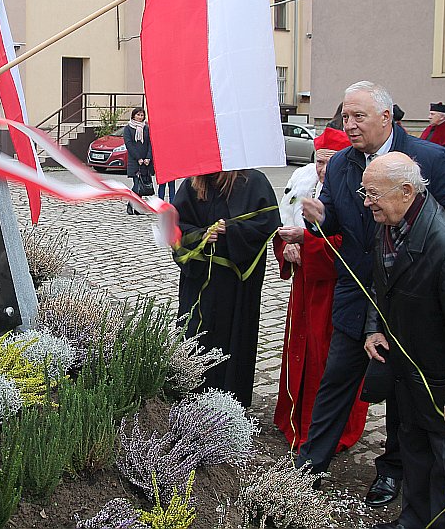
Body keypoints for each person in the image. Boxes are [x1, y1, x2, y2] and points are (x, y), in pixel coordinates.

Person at [280, 80, 445, 509]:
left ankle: (392, 473)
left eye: (358, 117)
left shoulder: (427, 158)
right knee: (336, 380)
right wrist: (321, 217)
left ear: (386, 118)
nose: (349, 125)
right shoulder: (340, 164)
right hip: (357, 296)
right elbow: (342, 220)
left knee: (402, 395)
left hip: (408, 302)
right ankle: (308, 468)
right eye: (345, 117)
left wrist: (423, 250)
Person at [362, 153, 445, 529]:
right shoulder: (390, 223)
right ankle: (413, 522)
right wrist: (374, 326)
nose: (366, 201)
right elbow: (380, 285)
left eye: (373, 193)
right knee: (416, 461)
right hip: (410, 376)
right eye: (364, 191)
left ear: (406, 191)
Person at [273, 127, 368, 452]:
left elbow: (353, 244)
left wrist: (308, 245)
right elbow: (286, 228)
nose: (323, 169)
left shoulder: (355, 191)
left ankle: (325, 427)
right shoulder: (305, 184)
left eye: (330, 162)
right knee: (299, 347)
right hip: (304, 284)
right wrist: (286, 248)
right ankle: (293, 415)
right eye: (319, 161)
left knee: (326, 357)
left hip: (336, 289)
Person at [172, 170, 281, 407]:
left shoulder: (254, 182)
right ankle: (189, 391)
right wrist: (202, 235)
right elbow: (175, 226)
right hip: (199, 283)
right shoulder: (192, 184)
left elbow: (266, 225)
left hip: (235, 287)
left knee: (233, 340)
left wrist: (229, 230)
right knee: (194, 333)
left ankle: (229, 400)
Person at [124, 107, 152, 214]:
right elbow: (129, 144)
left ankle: (134, 206)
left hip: (145, 161)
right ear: (133, 115)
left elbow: (150, 144)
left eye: (142, 115)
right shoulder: (128, 128)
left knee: (141, 185)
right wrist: (138, 158)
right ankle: (133, 206)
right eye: (138, 115)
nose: (140, 117)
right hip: (135, 161)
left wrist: (148, 158)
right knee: (137, 184)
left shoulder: (146, 128)